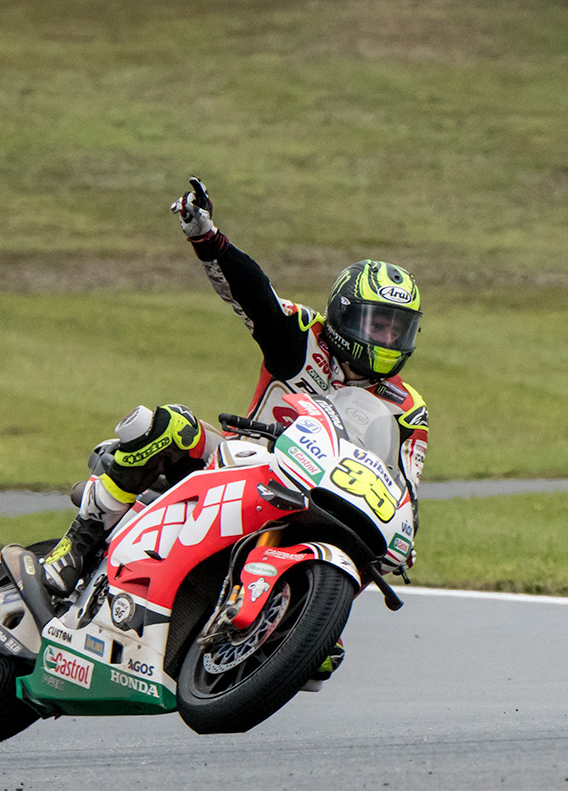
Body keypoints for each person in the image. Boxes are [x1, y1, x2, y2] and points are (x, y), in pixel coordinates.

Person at [39, 178, 429, 680]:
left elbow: (403, 484)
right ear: (344, 316)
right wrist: (207, 238)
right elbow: (252, 293)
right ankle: (78, 543)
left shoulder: (407, 407)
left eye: (397, 328)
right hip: (243, 460)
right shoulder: (303, 338)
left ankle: (297, 617)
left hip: (319, 501)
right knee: (166, 425)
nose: (387, 337)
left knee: (344, 604)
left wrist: (404, 533)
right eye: (378, 324)